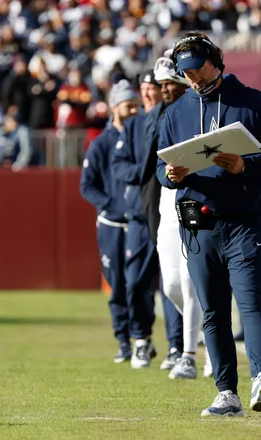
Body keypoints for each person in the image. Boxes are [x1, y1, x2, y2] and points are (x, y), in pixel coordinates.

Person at [156, 31, 261, 416]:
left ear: (216, 60)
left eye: (198, 68)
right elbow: (160, 172)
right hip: (198, 226)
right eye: (187, 73)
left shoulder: (251, 100)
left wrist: (245, 165)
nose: (193, 78)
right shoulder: (175, 112)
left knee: (251, 302)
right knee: (213, 310)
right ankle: (226, 392)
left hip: (245, 220)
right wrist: (173, 176)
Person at [144, 55, 213, 380]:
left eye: (171, 82)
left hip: (191, 198)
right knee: (171, 284)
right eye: (162, 84)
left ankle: (189, 355)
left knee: (189, 280)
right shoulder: (157, 116)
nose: (166, 88)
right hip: (166, 201)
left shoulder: (195, 109)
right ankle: (211, 333)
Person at [111, 75, 184, 370]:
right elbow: (119, 166)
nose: (147, 94)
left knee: (172, 282)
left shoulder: (172, 118)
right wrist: (146, 173)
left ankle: (177, 345)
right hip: (141, 214)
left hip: (167, 210)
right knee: (136, 282)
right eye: (142, 90)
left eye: (150, 89)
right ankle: (141, 339)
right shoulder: (133, 126)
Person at [80, 80, 140, 363]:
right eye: (128, 106)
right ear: (115, 108)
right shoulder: (100, 144)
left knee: (139, 283)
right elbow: (87, 186)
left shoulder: (142, 139)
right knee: (117, 284)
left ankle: (142, 338)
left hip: (139, 223)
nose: (133, 111)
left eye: (135, 106)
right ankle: (123, 340)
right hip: (112, 224)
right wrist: (112, 205)